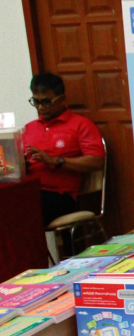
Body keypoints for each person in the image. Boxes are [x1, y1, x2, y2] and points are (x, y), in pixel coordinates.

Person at [22, 73, 105, 224]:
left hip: (60, 196)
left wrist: (55, 161)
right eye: (36, 102)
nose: (40, 108)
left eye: (46, 102)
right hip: (30, 191)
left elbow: (96, 161)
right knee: (10, 201)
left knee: (19, 209)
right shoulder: (29, 128)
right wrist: (20, 163)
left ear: (62, 99)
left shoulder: (81, 125)